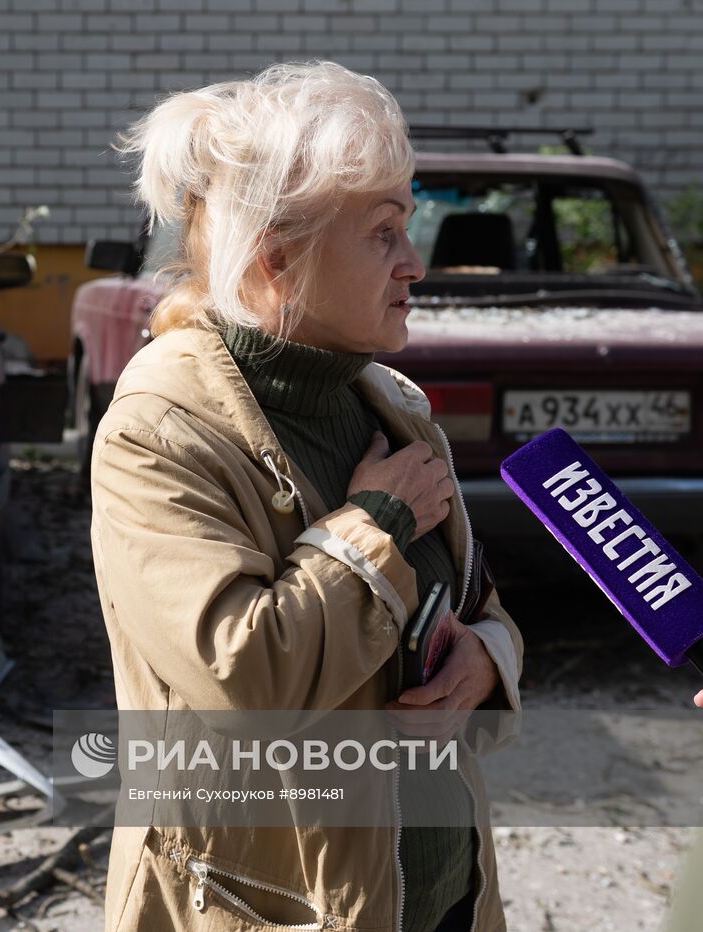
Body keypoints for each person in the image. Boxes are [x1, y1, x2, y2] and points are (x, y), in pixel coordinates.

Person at [89, 62, 524, 931]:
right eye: (384, 233)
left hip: (443, 899)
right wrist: (376, 524)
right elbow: (249, 681)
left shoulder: (391, 405)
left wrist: (486, 660)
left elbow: (475, 605)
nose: (415, 265)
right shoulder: (159, 431)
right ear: (277, 259)